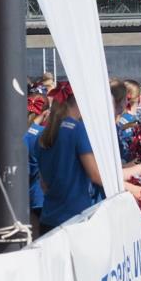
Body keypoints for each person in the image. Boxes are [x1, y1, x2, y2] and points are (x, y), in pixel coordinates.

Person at [34, 83, 103, 235]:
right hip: (74, 220)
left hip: (49, 219)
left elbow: (44, 184)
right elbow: (96, 175)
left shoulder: (42, 136)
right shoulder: (78, 130)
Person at [24, 96, 47, 240]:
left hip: (28, 189)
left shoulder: (20, 132)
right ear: (45, 113)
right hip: (41, 191)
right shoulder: (42, 134)